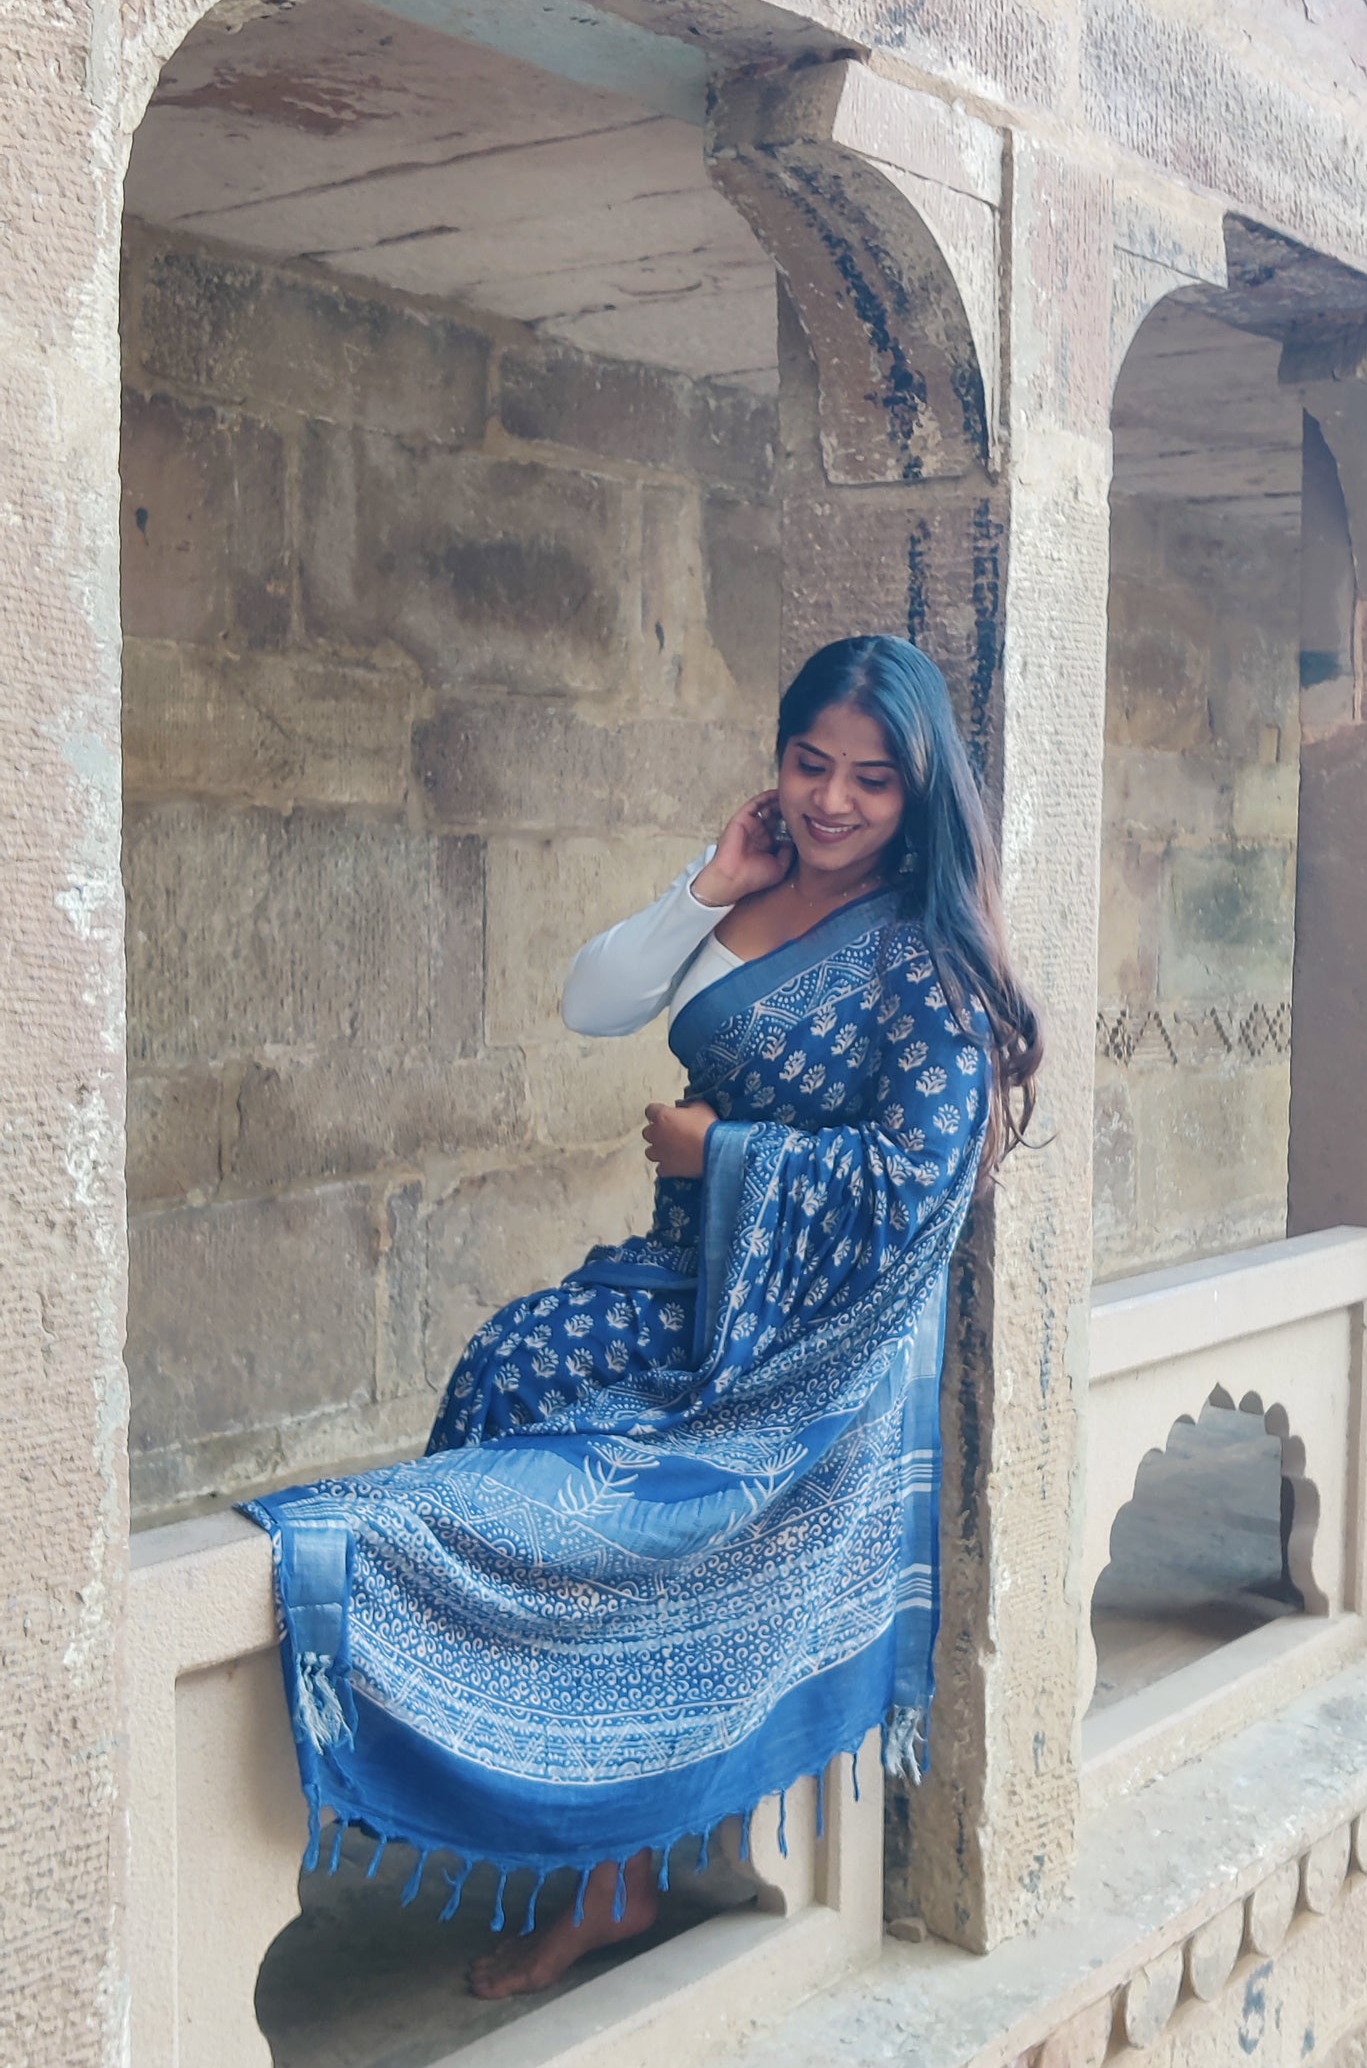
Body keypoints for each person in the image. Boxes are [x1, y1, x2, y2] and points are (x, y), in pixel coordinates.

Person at [241, 637, 1041, 1997]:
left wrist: (719, 1157)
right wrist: (716, 881)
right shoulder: (760, 884)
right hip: (677, 1280)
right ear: (775, 759)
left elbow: (918, 1186)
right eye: (808, 765)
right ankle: (557, 1811)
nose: (833, 803)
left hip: (787, 1329)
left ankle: (602, 1845)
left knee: (592, 1506)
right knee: (505, 1374)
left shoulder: (922, 962)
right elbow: (595, 1000)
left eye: (870, 782)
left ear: (921, 797)